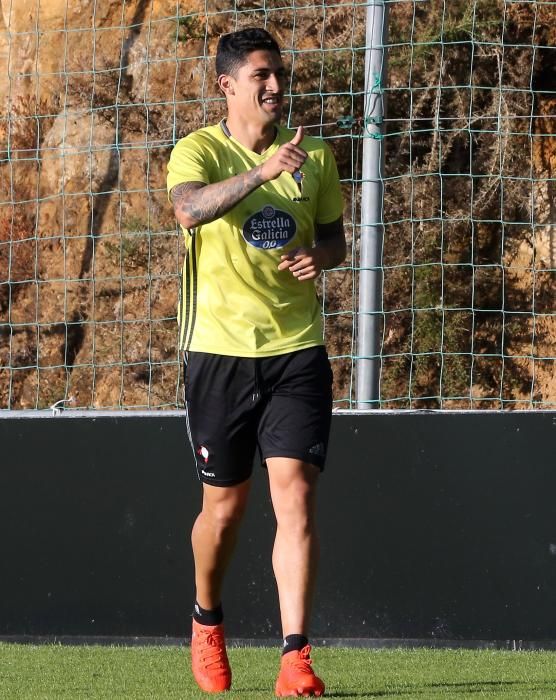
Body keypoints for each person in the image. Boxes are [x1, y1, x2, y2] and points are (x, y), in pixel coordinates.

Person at [167, 27, 345, 697]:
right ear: (229, 85)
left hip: (295, 351)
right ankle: (206, 618)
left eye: (280, 75)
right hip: (217, 355)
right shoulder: (199, 150)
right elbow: (189, 211)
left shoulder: (316, 154)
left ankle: (295, 656)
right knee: (225, 511)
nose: (276, 86)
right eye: (262, 76)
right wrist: (262, 173)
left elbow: (333, 239)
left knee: (295, 497)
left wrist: (318, 259)